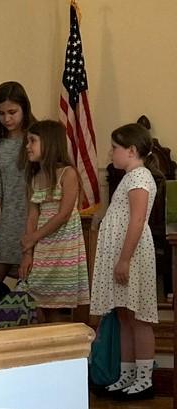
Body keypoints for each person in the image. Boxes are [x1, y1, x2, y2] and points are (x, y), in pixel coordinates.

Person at [90, 123, 162, 400]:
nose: (111, 153)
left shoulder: (140, 177)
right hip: (122, 257)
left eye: (114, 148)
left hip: (131, 256)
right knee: (123, 316)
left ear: (131, 150)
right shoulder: (130, 177)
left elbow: (137, 220)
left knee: (138, 317)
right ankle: (127, 373)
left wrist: (124, 259)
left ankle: (144, 379)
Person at [18, 120, 89, 322]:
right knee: (36, 301)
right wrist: (28, 253)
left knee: (57, 306)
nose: (27, 146)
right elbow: (32, 215)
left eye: (32, 141)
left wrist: (34, 237)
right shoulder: (34, 177)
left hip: (63, 247)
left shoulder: (68, 173)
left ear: (49, 143)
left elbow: (64, 214)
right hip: (43, 247)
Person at [0, 81, 36, 281]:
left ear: (24, 108)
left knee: (33, 289)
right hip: (7, 226)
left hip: (36, 225)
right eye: (1, 113)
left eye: (12, 112)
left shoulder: (36, 142)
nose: (7, 119)